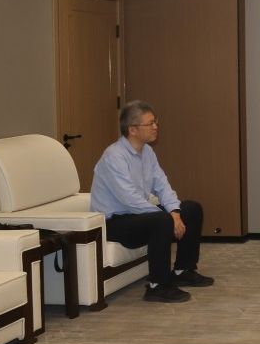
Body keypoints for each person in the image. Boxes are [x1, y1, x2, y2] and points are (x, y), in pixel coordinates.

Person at [90, 100, 213, 304]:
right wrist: (168, 218)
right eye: (150, 123)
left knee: (191, 209)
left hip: (137, 216)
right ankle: (157, 286)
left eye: (156, 122)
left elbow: (162, 185)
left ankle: (183, 270)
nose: (156, 127)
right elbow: (129, 199)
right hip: (114, 223)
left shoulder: (147, 152)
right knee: (161, 220)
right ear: (133, 129)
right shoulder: (114, 156)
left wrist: (175, 212)